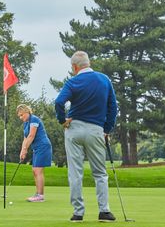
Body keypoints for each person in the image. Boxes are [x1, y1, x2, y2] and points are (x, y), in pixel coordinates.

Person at [55, 51, 118, 222]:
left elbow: (59, 102)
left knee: (75, 172)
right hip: (96, 129)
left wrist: (62, 120)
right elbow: (113, 107)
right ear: (88, 63)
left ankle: (78, 213)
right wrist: (107, 129)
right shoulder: (104, 79)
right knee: (100, 173)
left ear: (75, 67)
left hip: (74, 129)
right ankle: (104, 211)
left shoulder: (72, 81)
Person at [17, 104, 53, 202]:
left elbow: (32, 136)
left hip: (43, 146)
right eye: (19, 116)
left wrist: (25, 149)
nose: (21, 117)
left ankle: (40, 196)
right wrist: (22, 151)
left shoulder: (34, 120)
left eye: (22, 115)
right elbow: (25, 138)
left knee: (38, 170)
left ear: (27, 112)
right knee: (34, 170)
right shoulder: (26, 123)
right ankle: (37, 193)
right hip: (36, 148)